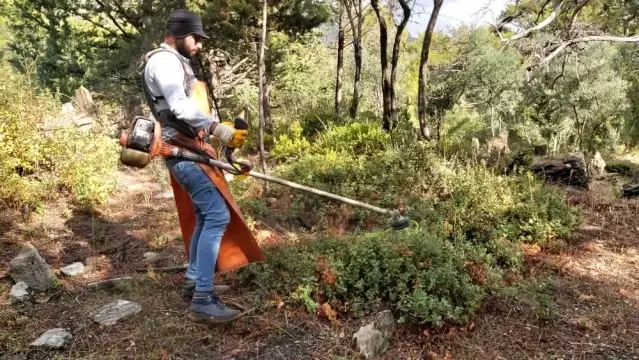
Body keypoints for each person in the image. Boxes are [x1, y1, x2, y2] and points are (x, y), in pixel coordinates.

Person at [142, 9, 262, 324]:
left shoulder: (174, 61)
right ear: (181, 34)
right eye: (196, 39)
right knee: (217, 215)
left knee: (202, 215)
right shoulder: (165, 61)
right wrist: (216, 128)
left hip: (188, 149)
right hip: (180, 152)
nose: (199, 46)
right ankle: (203, 299)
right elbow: (180, 106)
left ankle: (195, 279)